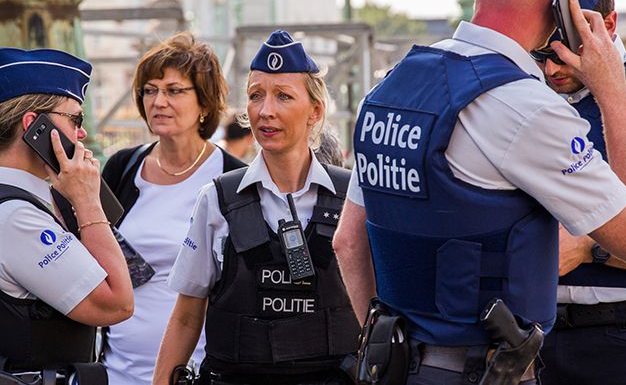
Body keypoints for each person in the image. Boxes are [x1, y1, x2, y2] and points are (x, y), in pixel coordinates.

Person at [332, 0, 626, 384]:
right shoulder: (525, 105)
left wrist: (385, 352)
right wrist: (612, 90)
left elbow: (348, 241)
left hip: (394, 363)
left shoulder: (390, 88)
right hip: (487, 367)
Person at [153, 30, 359, 385]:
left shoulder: (353, 198)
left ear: (315, 111)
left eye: (283, 96)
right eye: (255, 96)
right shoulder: (217, 199)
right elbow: (186, 317)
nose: (265, 111)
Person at [101, 32, 246, 385]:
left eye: (174, 90)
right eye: (150, 90)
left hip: (197, 373)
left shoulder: (233, 179)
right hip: (116, 370)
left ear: (205, 103)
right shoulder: (122, 168)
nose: (158, 101)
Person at [531, 0, 626, 385]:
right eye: (541, 53)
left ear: (608, 24)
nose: (552, 69)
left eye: (566, 49)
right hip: (532, 338)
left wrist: (590, 250)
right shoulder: (524, 97)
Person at [0, 48, 133, 379]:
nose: (82, 134)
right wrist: (88, 203)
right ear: (34, 126)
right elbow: (116, 303)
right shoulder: (16, 217)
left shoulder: (24, 202)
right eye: (75, 119)